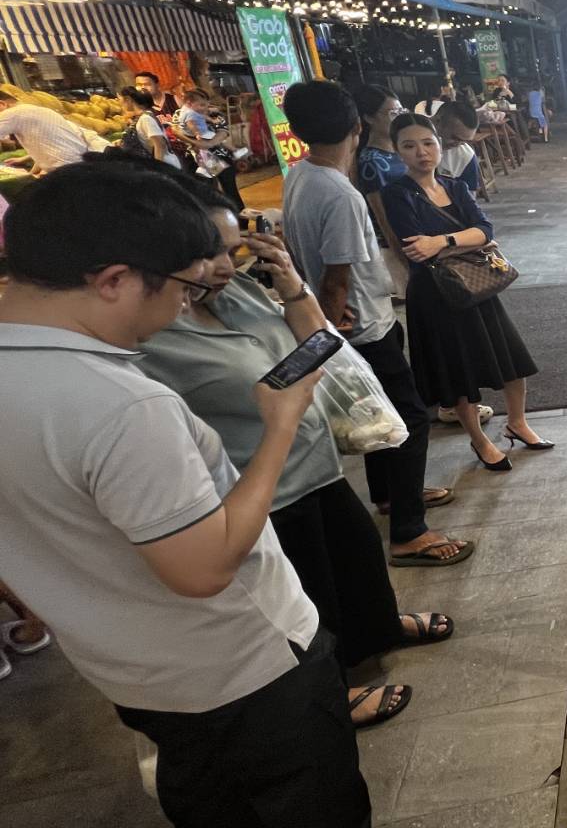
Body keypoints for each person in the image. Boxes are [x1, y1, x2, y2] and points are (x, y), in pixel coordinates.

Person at [0, 162, 371, 826]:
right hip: (244, 669)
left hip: (130, 672)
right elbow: (202, 570)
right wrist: (281, 426)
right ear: (114, 280)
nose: (184, 306)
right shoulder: (120, 405)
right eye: (183, 287)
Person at [133, 171, 457, 727]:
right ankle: (335, 689)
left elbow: (319, 341)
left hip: (316, 462)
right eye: (207, 252)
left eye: (230, 248)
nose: (222, 264)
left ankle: (379, 630)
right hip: (261, 486)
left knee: (357, 556)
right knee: (309, 590)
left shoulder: (237, 291)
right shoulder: (152, 336)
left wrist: (291, 286)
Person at [280, 82, 471, 567]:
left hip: (355, 319)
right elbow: (338, 276)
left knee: (376, 413)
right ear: (357, 127)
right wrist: (329, 324)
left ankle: (389, 494)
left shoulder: (299, 175)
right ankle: (408, 532)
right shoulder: (341, 194)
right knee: (410, 419)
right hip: (363, 325)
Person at [380, 113, 548, 470]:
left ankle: (517, 423)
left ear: (439, 145)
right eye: (409, 146)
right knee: (457, 374)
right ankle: (480, 440)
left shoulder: (454, 186)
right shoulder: (396, 194)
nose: (421, 153)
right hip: (435, 295)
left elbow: (485, 230)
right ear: (397, 151)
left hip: (475, 286)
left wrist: (442, 241)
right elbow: (416, 249)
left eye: (428, 143)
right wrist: (466, 241)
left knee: (511, 359)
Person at [0, 90, 108, 175]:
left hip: (67, 170)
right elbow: (46, 146)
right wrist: (31, 172)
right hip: (79, 165)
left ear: (1, 104)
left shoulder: (12, 113)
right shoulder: (38, 110)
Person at [173, 88, 242, 208]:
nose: (205, 107)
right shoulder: (180, 113)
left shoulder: (214, 113)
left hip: (220, 156)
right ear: (190, 103)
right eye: (201, 104)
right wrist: (197, 142)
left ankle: (239, 216)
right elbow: (176, 131)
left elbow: (223, 131)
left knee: (230, 190)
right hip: (196, 158)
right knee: (207, 192)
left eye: (206, 103)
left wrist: (209, 144)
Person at [117, 86, 181, 168]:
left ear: (128, 99)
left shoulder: (145, 118)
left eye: (120, 100)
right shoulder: (142, 117)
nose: (120, 103)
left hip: (167, 165)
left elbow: (160, 144)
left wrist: (158, 167)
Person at [433, 100, 483, 199]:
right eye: (455, 138)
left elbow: (469, 198)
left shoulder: (466, 156)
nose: (458, 144)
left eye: (464, 141)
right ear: (438, 121)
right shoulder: (409, 143)